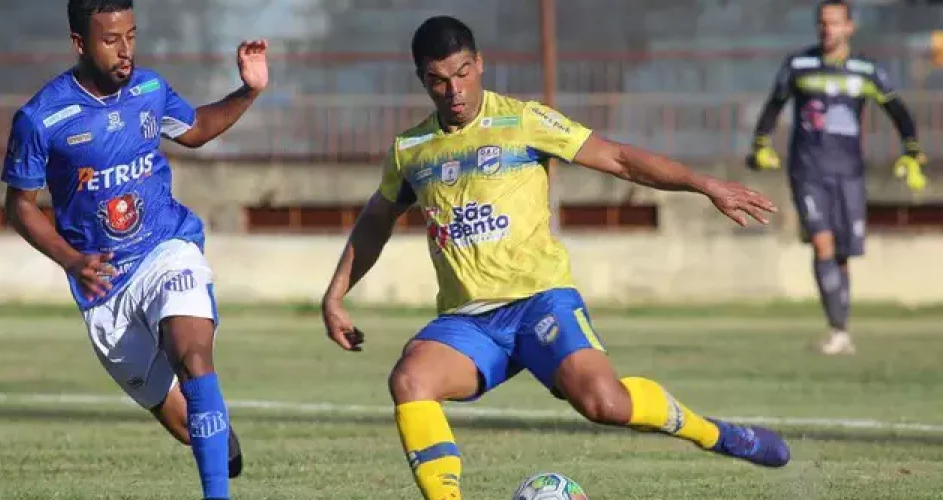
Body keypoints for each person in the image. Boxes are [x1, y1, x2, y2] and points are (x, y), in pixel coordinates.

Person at [321, 15, 790, 500]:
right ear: (422, 79)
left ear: (480, 64)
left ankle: (715, 434)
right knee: (410, 379)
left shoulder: (524, 121)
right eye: (439, 80)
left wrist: (706, 185)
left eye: (462, 73)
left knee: (606, 404)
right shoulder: (410, 149)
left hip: (541, 302)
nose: (454, 90)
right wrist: (336, 295)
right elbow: (377, 219)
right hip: (470, 322)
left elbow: (620, 159)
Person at [1, 1, 269, 498]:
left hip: (166, 248)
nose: (125, 52)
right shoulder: (42, 118)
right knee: (191, 427)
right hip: (103, 287)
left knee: (193, 358)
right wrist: (72, 260)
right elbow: (19, 208)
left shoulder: (148, 89)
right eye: (110, 41)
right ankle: (213, 435)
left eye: (131, 36)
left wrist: (249, 90)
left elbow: (196, 130)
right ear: (80, 43)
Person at [747, 0, 927, 355]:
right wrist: (760, 145)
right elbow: (774, 105)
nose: (828, 30)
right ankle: (837, 331)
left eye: (835, 23)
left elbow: (898, 110)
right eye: (823, 23)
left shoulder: (865, 71)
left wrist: (911, 150)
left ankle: (841, 329)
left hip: (849, 173)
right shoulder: (799, 65)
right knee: (822, 243)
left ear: (850, 27)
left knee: (842, 254)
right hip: (808, 169)